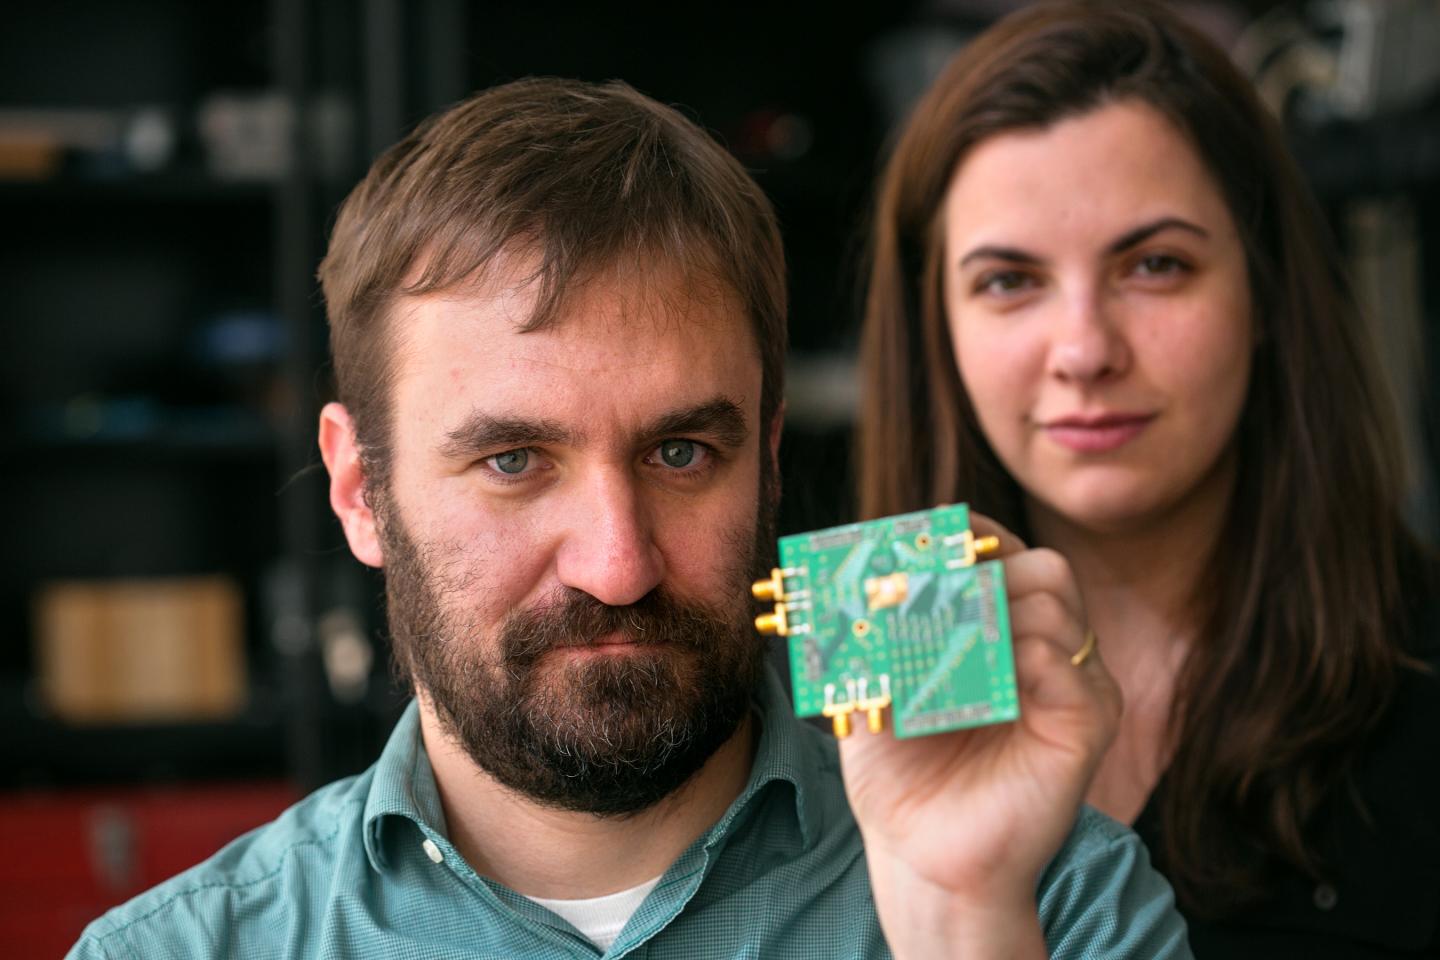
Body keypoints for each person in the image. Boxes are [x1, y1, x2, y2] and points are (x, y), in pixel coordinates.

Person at [68, 77, 1190, 959]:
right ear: (361, 490)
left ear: (770, 456)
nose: (619, 566)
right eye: (514, 460)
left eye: (683, 452)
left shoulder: (1054, 903)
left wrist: (962, 922)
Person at [857, 2, 1440, 956]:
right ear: (937, 334)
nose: (1084, 349)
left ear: (1264, 294)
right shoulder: (820, 721)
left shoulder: (1421, 693)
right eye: (1009, 281)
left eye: (1155, 265)